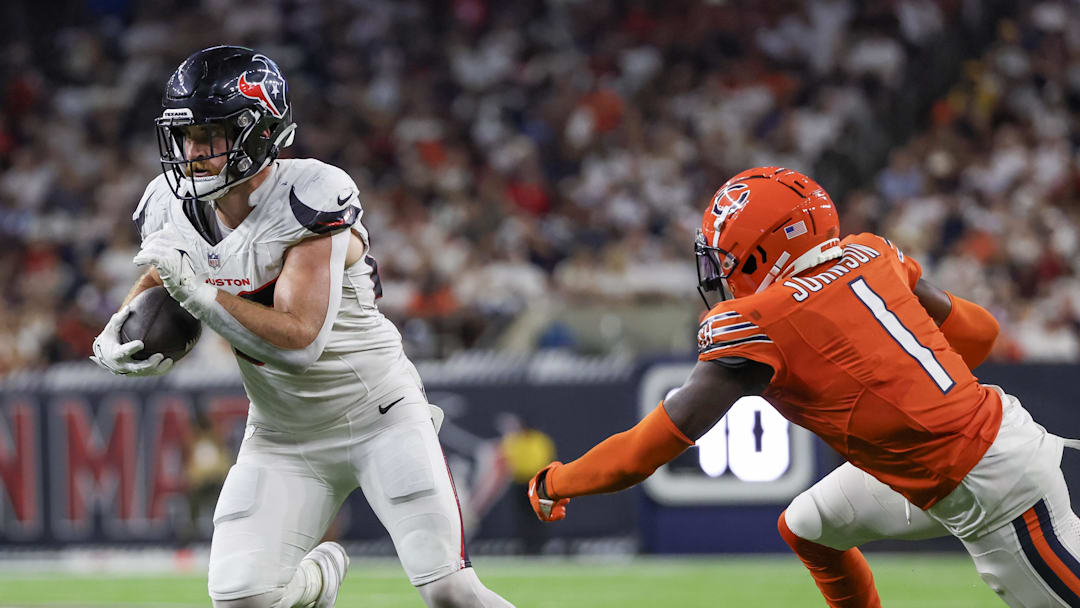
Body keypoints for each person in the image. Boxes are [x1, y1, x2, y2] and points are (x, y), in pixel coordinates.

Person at [528, 166, 1080, 608]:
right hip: (963, 454)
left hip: (998, 490)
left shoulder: (759, 323)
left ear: (762, 254)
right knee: (810, 525)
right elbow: (979, 333)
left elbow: (643, 453)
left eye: (725, 259)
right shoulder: (872, 252)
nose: (718, 274)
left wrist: (557, 481)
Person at [89, 46, 514, 608]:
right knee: (242, 598)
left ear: (258, 131)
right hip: (283, 432)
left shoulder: (310, 193)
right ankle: (316, 586)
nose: (192, 152)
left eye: (209, 134)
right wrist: (120, 325)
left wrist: (200, 293)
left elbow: (299, 345)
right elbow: (164, 266)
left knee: (451, 591)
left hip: (378, 416)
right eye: (185, 136)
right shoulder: (171, 204)